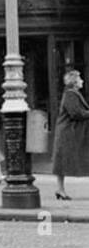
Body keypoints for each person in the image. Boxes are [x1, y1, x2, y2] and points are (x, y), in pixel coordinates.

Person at [51, 68, 89, 200]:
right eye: (80, 79)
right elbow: (76, 113)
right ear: (75, 82)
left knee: (62, 161)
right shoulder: (70, 94)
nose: (82, 81)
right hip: (69, 133)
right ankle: (60, 189)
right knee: (62, 161)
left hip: (69, 132)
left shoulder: (71, 94)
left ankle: (60, 189)